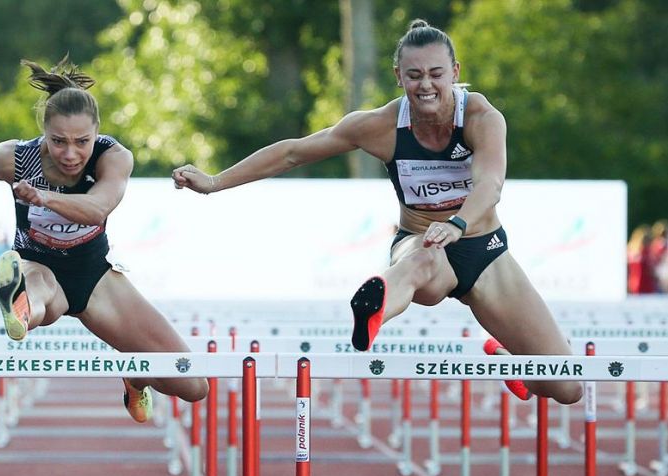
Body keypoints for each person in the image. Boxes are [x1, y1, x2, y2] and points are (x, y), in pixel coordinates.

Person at [173, 19, 582, 405]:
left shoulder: (481, 117)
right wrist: (214, 181)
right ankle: (374, 310)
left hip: (483, 248)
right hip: (422, 245)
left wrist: (457, 224)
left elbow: (489, 185)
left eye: (436, 74)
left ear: (455, 72)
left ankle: (508, 360)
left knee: (567, 388)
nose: (426, 85)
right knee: (422, 259)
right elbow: (294, 152)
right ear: (398, 77)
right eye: (414, 75)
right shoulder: (380, 126)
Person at [0, 56, 208, 421]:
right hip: (36, 264)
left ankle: (135, 376)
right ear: (43, 132)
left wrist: (44, 197)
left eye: (82, 141)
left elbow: (97, 208)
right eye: (58, 141)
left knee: (193, 386)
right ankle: (19, 306)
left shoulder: (114, 158)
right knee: (41, 301)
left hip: (96, 277)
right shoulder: (17, 157)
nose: (71, 153)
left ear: (97, 133)